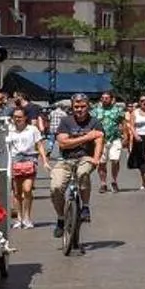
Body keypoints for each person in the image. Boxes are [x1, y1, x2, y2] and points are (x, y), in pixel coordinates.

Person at [47, 94, 104, 235]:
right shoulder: (66, 121)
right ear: (72, 107)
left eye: (83, 106)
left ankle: (85, 206)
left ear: (88, 106)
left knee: (82, 173)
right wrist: (86, 137)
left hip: (85, 158)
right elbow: (63, 143)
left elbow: (99, 141)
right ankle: (61, 218)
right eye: (76, 107)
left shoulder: (95, 122)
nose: (79, 109)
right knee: (55, 188)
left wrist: (96, 159)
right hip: (65, 160)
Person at [0, 101, 44, 229]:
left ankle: (27, 217)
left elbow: (39, 144)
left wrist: (44, 160)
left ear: (25, 118)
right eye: (15, 117)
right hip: (15, 161)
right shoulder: (9, 130)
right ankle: (19, 218)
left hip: (30, 160)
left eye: (19, 117)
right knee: (17, 192)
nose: (17, 119)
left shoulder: (33, 129)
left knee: (27, 189)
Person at [93, 91, 128, 193]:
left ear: (111, 99)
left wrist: (125, 136)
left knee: (115, 160)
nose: (104, 99)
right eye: (103, 98)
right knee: (102, 162)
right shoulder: (96, 111)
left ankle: (114, 181)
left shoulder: (118, 110)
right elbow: (91, 123)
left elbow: (124, 123)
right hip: (101, 140)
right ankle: (103, 183)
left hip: (115, 138)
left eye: (107, 98)